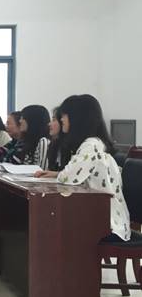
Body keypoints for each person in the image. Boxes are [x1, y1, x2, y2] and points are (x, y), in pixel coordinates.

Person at [35, 95, 130, 241]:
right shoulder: (94, 143)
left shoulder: (90, 146)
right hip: (103, 216)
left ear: (77, 119)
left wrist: (60, 175)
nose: (61, 119)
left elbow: (67, 178)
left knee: (51, 228)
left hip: (108, 223)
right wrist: (56, 174)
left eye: (64, 115)